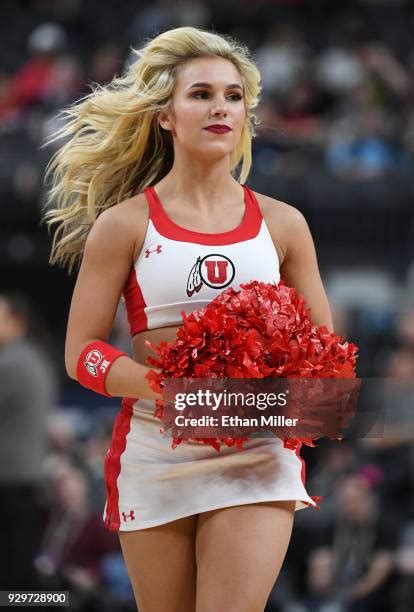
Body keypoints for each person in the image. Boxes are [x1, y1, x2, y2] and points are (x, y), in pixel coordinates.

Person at [43, 26, 334, 612]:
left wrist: (271, 394)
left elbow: (328, 364)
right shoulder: (124, 225)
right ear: (166, 115)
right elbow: (82, 353)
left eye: (233, 96)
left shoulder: (283, 224)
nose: (220, 107)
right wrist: (170, 390)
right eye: (200, 94)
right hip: (155, 446)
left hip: (258, 446)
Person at [0, 292, 57, 589]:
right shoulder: (33, 356)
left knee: (12, 575)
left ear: (16, 322)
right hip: (23, 482)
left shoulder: (12, 363)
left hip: (9, 484)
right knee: (17, 569)